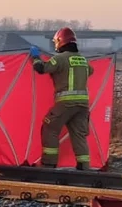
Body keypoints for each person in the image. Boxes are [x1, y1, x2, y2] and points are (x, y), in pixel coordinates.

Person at [31, 27, 94, 170]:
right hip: (83, 105)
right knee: (79, 135)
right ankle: (84, 166)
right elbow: (90, 71)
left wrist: (35, 57)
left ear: (60, 41)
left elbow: (41, 68)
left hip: (65, 103)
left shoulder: (60, 59)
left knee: (50, 128)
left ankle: (49, 163)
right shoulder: (83, 60)